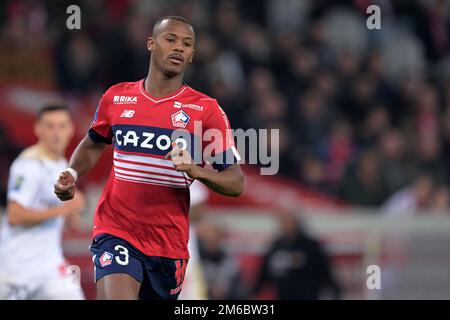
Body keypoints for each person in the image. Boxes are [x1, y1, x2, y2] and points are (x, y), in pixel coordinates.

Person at [54, 16, 244, 300]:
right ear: (151, 44)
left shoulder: (206, 110)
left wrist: (198, 171)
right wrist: (73, 174)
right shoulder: (117, 98)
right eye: (171, 40)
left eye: (187, 44)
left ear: (192, 55)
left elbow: (235, 181)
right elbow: (93, 144)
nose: (179, 47)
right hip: (116, 229)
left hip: (168, 246)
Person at [0, 103, 85, 300]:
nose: (56, 133)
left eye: (62, 126)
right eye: (49, 126)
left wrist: (71, 213)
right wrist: (63, 210)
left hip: (50, 265)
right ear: (37, 129)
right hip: (18, 267)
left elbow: (68, 218)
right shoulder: (29, 164)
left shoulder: (62, 165)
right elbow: (14, 215)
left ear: (71, 129)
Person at [252, 210, 340, 300]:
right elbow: (266, 269)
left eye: (288, 222)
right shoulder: (277, 245)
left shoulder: (310, 245)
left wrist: (333, 288)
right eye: (283, 222)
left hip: (307, 293)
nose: (285, 226)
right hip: (284, 293)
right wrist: (256, 290)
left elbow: (323, 268)